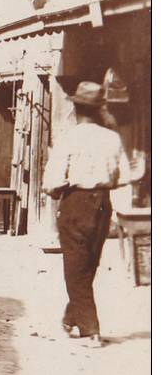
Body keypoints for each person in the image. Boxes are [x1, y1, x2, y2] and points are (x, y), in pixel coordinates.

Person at [42, 82, 143, 348]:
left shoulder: (70, 137)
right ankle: (71, 316)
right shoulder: (112, 138)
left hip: (75, 203)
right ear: (98, 109)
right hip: (102, 204)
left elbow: (52, 181)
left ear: (76, 107)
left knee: (75, 267)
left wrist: (57, 190)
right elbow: (125, 176)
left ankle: (91, 330)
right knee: (88, 265)